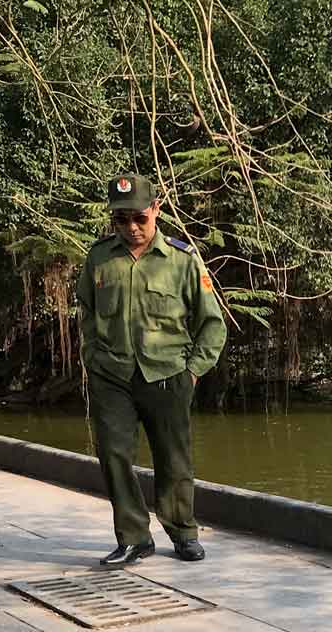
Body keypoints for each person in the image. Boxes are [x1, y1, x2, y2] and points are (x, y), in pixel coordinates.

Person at [76, 174, 227, 566]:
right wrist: (92, 357)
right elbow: (87, 313)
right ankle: (133, 538)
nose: (131, 228)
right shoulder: (100, 258)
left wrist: (192, 371)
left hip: (166, 375)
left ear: (156, 210)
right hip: (112, 376)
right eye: (121, 219)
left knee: (173, 458)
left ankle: (182, 531)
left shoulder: (182, 260)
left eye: (139, 218)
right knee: (113, 454)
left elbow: (212, 324)